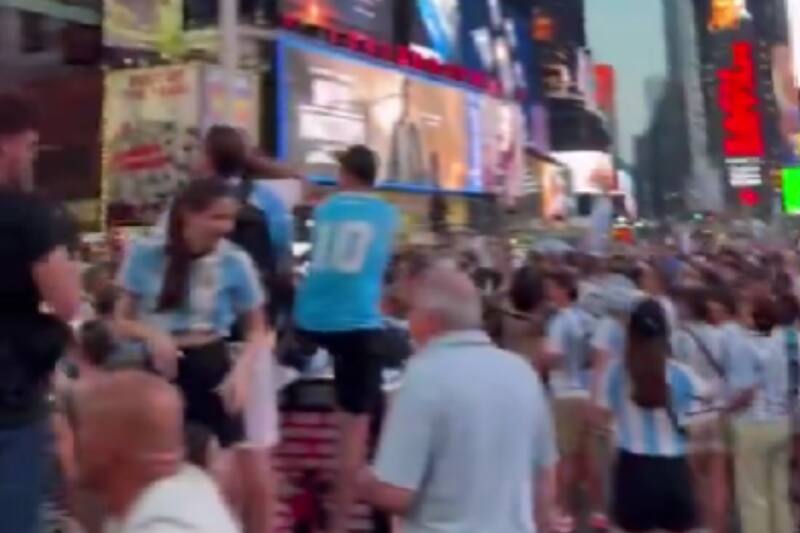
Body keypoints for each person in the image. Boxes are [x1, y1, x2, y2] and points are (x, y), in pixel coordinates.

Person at [115, 179, 276, 533]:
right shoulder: (146, 252)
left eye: (230, 219)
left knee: (223, 473)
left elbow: (258, 329)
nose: (226, 228)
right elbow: (121, 319)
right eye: (217, 218)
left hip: (213, 364)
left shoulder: (236, 260)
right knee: (160, 469)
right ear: (189, 215)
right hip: (159, 371)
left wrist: (244, 372)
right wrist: (153, 334)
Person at [359, 266, 558, 533]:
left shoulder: (423, 376)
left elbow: (396, 494)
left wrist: (358, 476)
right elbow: (545, 475)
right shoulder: (522, 372)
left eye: (412, 312)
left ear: (430, 319)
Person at [294, 144, 400, 533]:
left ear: (345, 174)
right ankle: (340, 522)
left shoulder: (325, 209)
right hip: (358, 323)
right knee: (353, 434)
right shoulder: (388, 214)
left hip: (309, 320)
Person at [0, 91, 81, 532]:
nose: (31, 159)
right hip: (9, 394)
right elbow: (67, 302)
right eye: (29, 147)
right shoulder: (29, 215)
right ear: (6, 145)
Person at [71, 371, 239, 532]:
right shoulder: (170, 500)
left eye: (84, 429)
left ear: (108, 445)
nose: (75, 441)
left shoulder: (170, 526)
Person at [594, 299, 707, 533]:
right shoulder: (683, 376)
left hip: (632, 468)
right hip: (674, 469)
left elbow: (601, 417)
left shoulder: (616, 373)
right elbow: (700, 423)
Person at [727, 295, 794, 533]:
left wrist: (725, 409)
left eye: (745, 313)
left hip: (753, 422)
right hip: (780, 420)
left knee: (753, 496)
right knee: (778, 491)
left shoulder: (744, 345)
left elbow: (746, 391)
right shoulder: (780, 341)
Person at [541, 269, 600, 531]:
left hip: (564, 392)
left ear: (565, 290)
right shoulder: (588, 319)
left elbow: (553, 356)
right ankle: (596, 509)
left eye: (552, 287)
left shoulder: (559, 321)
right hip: (587, 392)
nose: (548, 293)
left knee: (565, 456)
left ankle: (564, 510)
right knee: (587, 456)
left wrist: (538, 364)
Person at [671, 288, 729, 533]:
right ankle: (719, 527)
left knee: (692, 480)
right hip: (716, 411)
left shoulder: (676, 338)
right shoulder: (720, 336)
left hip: (689, 414)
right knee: (718, 480)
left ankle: (699, 526)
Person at [387, 79, 429, 186]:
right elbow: (392, 163)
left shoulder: (419, 129)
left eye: (409, 96)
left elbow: (423, 166)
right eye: (404, 96)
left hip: (417, 191)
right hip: (399, 189)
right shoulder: (397, 127)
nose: (406, 100)